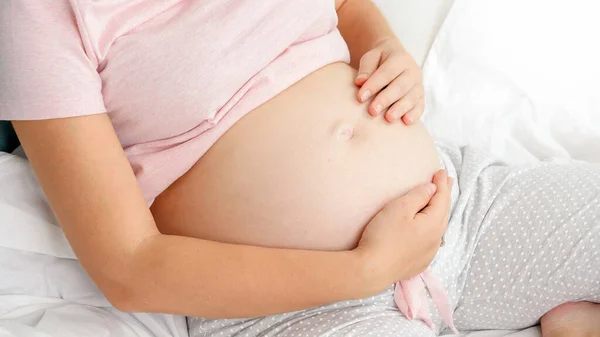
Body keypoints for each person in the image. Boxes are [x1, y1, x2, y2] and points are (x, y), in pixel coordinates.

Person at [1, 1, 598, 336]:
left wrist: (386, 50)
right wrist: (367, 269)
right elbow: (128, 267)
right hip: (296, 308)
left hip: (457, 202)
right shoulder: (37, 19)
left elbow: (344, 6)